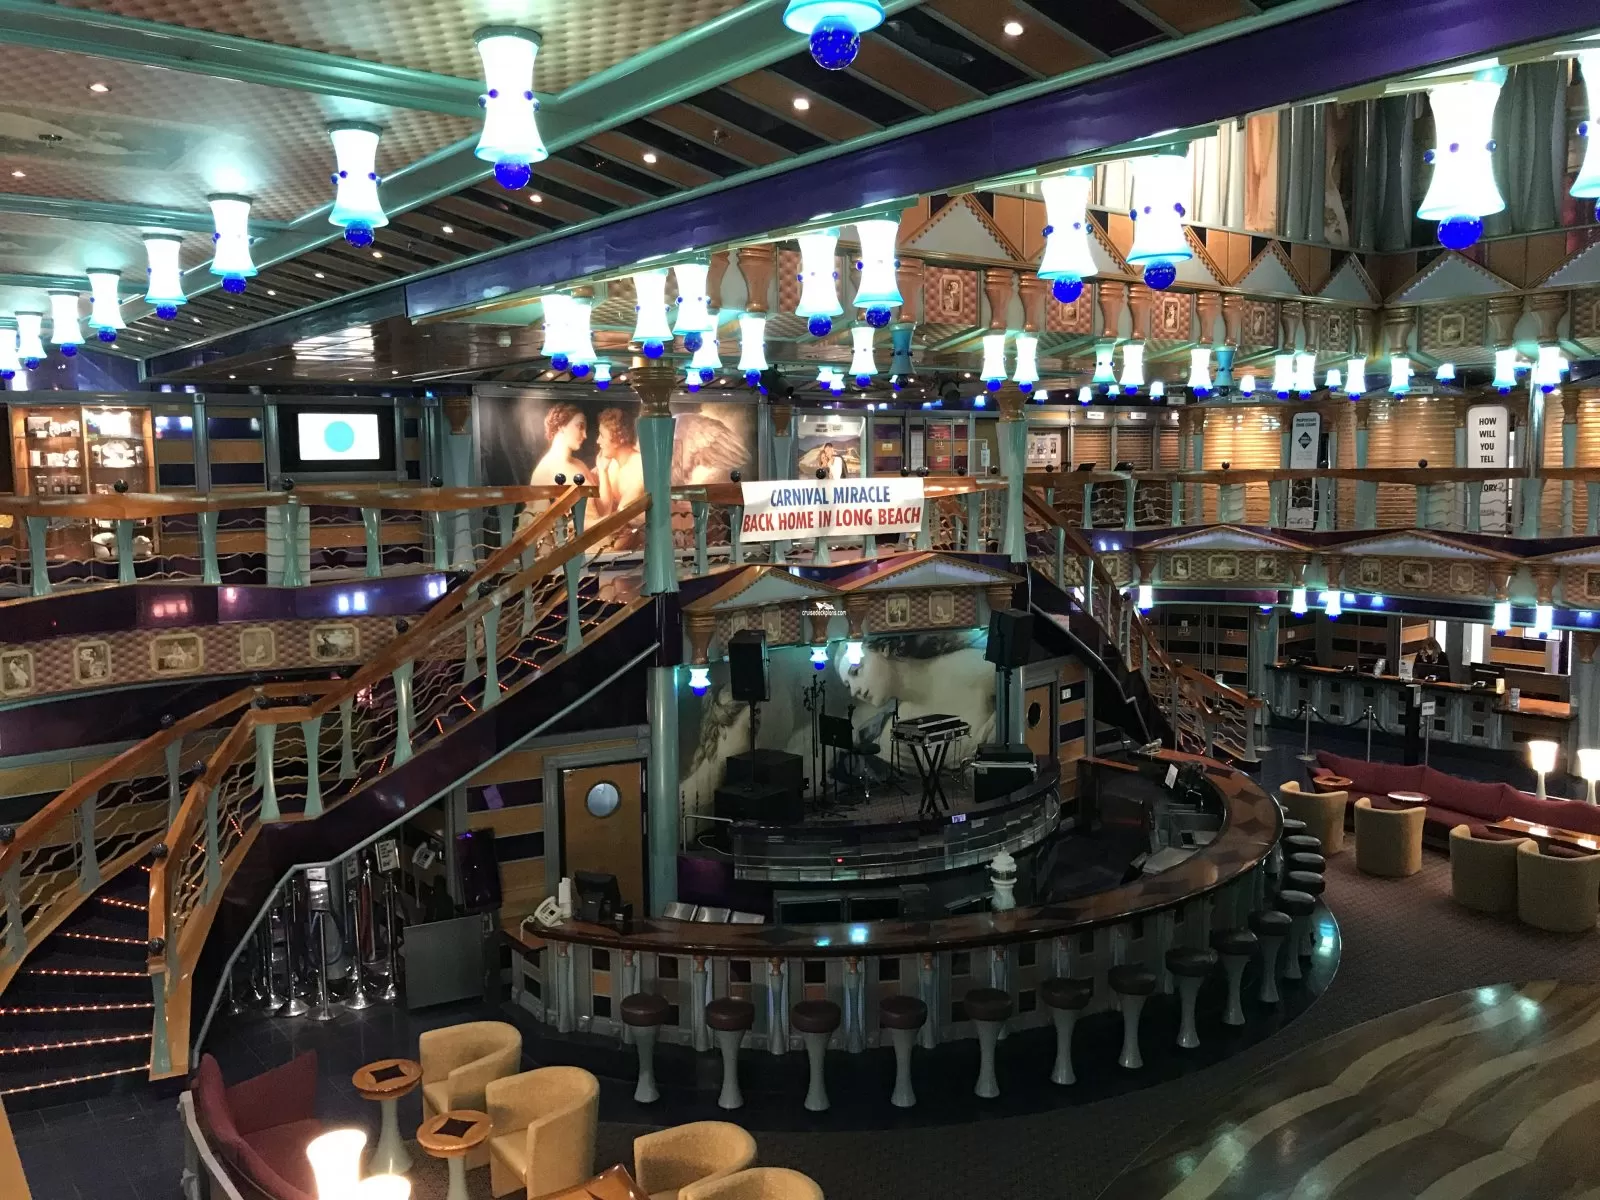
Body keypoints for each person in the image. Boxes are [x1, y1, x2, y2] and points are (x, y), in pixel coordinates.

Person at [594, 408, 645, 517]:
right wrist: (603, 472)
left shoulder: (639, 467)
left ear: (618, 439)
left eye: (602, 436)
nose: (598, 441)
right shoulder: (611, 464)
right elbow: (604, 511)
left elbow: (620, 518)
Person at [529, 404, 589, 487]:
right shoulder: (543, 472)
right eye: (580, 427)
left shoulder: (580, 464)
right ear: (561, 426)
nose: (585, 435)